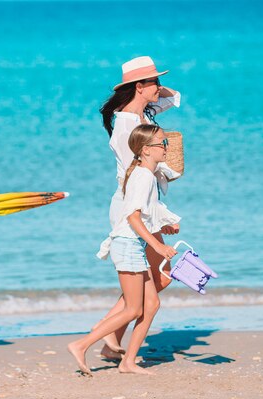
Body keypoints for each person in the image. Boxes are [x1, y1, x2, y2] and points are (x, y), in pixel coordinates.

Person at [68, 125, 180, 375]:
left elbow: (148, 210)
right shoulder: (142, 176)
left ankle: (128, 362)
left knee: (151, 304)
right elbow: (132, 217)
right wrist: (159, 246)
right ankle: (80, 344)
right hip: (127, 245)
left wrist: (167, 224)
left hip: (134, 245)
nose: (166, 148)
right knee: (133, 308)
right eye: (162, 143)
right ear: (146, 150)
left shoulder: (147, 176)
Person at [95, 56, 182, 358]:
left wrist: (151, 86)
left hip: (146, 201)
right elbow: (135, 170)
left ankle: (111, 338)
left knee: (156, 276)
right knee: (159, 275)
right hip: (132, 204)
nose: (160, 86)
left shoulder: (141, 114)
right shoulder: (126, 124)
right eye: (154, 81)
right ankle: (105, 334)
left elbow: (174, 98)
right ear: (139, 86)